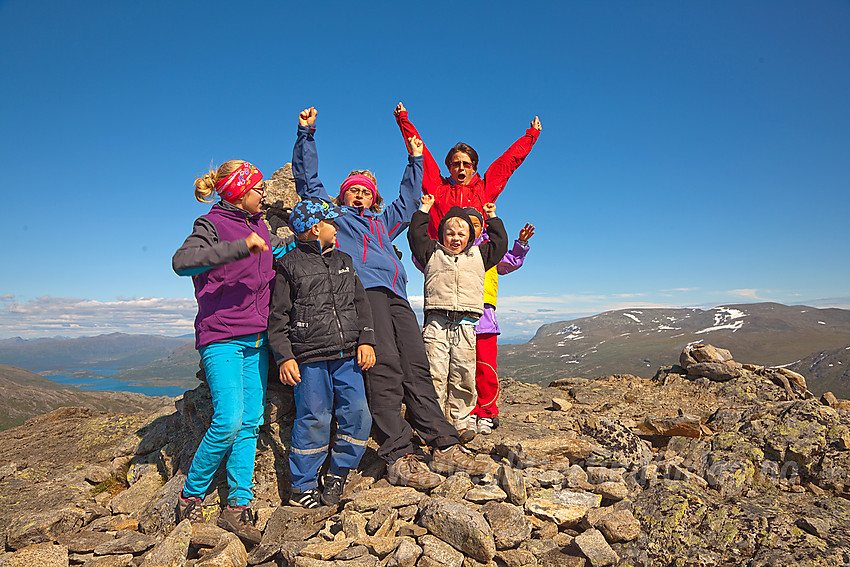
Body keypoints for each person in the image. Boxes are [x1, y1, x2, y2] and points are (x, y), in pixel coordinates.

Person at [292, 107, 492, 489]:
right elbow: (308, 182)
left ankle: (442, 440)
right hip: (362, 295)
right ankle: (398, 451)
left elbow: (408, 198)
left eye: (366, 192)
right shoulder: (334, 218)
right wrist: (307, 134)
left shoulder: (384, 223)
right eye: (354, 189)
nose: (360, 195)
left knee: (415, 364)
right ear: (343, 194)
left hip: (397, 295)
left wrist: (415, 159)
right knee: (383, 367)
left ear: (373, 198)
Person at [172, 160, 292, 544]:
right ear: (240, 191)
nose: (264, 195)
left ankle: (238, 506)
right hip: (221, 337)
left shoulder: (260, 226)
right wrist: (239, 247)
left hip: (256, 339)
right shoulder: (210, 225)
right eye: (258, 189)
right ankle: (191, 492)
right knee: (229, 419)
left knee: (251, 421)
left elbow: (266, 267)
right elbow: (182, 262)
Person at [268, 197, 376, 509]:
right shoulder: (288, 267)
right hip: (309, 360)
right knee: (313, 418)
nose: (336, 226)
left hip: (347, 357)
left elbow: (361, 305)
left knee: (357, 414)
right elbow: (277, 318)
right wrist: (285, 357)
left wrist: (366, 341)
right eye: (331, 222)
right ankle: (302, 486)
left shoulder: (344, 261)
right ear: (317, 229)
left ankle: (338, 474)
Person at [408, 196, 508, 439]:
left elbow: (500, 243)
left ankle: (461, 421)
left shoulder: (479, 256)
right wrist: (424, 210)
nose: (455, 238)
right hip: (437, 324)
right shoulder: (431, 253)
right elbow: (415, 236)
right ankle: (434, 422)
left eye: (461, 234)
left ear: (470, 237)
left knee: (463, 373)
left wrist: (492, 217)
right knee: (435, 372)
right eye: (449, 232)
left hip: (466, 324)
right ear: (441, 235)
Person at [394, 102, 541, 238]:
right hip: (441, 255)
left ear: (474, 168)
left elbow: (507, 162)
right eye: (456, 164)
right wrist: (403, 121)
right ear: (449, 167)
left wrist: (531, 136)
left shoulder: (484, 190)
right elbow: (420, 152)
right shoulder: (438, 189)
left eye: (466, 164)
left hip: (475, 258)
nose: (461, 168)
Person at [464, 208, 534, 434]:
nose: (472, 227)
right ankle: (467, 412)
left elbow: (511, 262)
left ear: (483, 226)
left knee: (485, 367)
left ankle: (486, 413)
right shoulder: (453, 246)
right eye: (468, 223)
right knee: (461, 368)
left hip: (484, 318)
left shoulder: (491, 248)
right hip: (457, 315)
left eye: (476, 224)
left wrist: (520, 244)